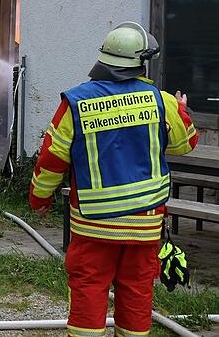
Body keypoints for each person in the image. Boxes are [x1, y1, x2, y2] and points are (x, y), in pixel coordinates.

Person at [29, 21, 198, 337]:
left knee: (89, 289)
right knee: (136, 291)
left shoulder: (76, 103)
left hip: (93, 226)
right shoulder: (161, 101)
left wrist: (39, 198)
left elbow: (51, 158)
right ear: (140, 62)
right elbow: (185, 143)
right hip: (144, 227)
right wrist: (182, 110)